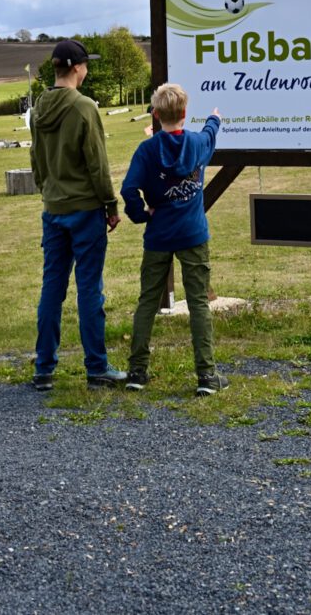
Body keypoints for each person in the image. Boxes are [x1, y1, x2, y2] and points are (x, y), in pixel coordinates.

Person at [30, 38, 126, 392]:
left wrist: (48, 190)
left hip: (53, 209)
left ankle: (44, 368)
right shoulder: (84, 107)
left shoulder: (38, 108)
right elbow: (97, 164)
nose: (87, 71)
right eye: (86, 65)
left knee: (51, 288)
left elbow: (36, 160)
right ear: (75, 68)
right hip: (85, 210)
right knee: (89, 289)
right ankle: (97, 367)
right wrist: (110, 205)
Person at [121, 83, 228, 396]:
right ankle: (206, 375)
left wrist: (142, 215)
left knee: (147, 302)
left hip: (158, 235)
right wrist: (214, 118)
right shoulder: (196, 144)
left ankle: (137, 371)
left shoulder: (147, 150)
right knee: (197, 303)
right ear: (184, 113)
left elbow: (128, 190)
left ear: (155, 114)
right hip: (193, 233)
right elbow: (210, 133)